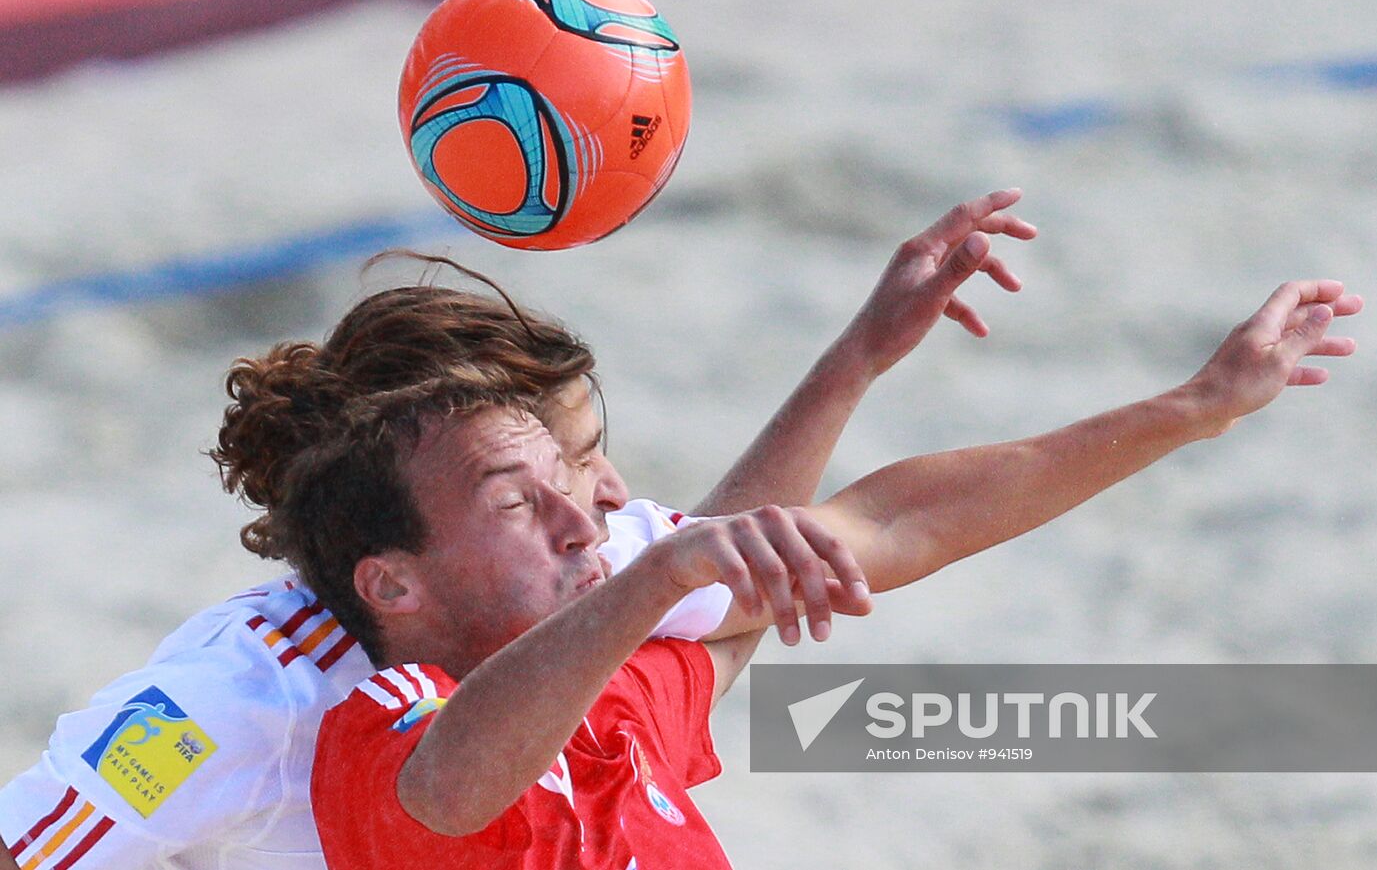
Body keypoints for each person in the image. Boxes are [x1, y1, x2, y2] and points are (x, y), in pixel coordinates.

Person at [0, 190, 1035, 869]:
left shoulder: (560, 557)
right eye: (562, 465)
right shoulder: (228, 698)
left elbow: (801, 547)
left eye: (579, 463)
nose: (602, 499)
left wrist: (853, 360)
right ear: (392, 577)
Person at [306, 276, 1360, 867]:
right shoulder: (379, 727)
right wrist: (653, 579)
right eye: (514, 502)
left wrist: (1192, 408)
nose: (587, 517)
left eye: (571, 481)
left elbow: (889, 521)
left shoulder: (619, 701)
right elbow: (447, 791)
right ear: (392, 584)